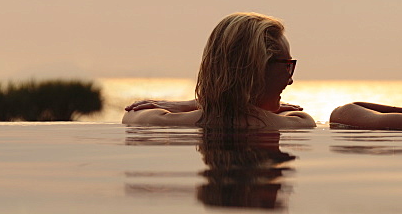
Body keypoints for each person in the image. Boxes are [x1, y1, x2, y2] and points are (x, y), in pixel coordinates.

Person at [122, 12, 316, 129]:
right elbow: (307, 121)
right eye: (287, 66)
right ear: (257, 68)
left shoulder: (195, 120)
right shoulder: (292, 123)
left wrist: (192, 104)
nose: (290, 80)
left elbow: (131, 116)